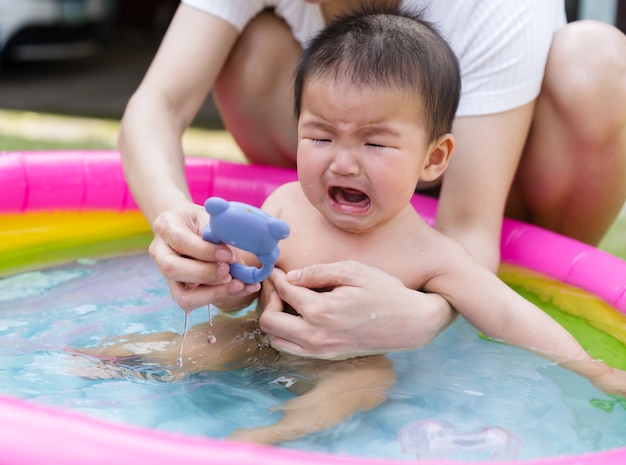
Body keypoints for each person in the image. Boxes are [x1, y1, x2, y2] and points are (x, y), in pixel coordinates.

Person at [83, 6, 626, 445]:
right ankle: (88, 372)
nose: (343, 163)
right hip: (258, 336)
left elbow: (510, 316)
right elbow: (244, 282)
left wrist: (596, 372)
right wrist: (223, 276)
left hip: (348, 360)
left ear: (435, 159)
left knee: (365, 381)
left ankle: (266, 439)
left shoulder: (431, 255)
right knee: (204, 339)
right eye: (320, 137)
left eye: (375, 143)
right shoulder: (287, 204)